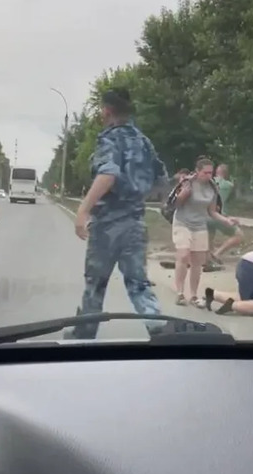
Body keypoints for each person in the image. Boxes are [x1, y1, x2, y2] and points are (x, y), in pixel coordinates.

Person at [71, 87, 168, 339]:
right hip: (135, 223)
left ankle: (85, 334)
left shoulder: (109, 139)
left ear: (107, 110)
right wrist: (136, 195)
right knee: (138, 282)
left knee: (96, 283)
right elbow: (161, 180)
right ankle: (158, 329)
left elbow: (108, 173)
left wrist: (83, 209)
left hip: (107, 227)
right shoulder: (144, 141)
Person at [171, 158, 239, 307]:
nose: (208, 175)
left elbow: (212, 211)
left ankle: (193, 295)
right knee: (183, 255)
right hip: (182, 222)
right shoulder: (188, 183)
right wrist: (182, 195)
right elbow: (175, 204)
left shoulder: (212, 187)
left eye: (210, 173)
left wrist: (226, 220)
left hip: (200, 225)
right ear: (197, 171)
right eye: (205, 172)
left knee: (197, 262)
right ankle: (180, 293)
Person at [206, 163, 243, 269]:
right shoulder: (229, 185)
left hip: (206, 215)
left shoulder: (209, 183)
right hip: (219, 215)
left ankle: (209, 262)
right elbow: (230, 200)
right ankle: (217, 254)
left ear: (216, 171)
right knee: (238, 235)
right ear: (226, 173)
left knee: (209, 240)